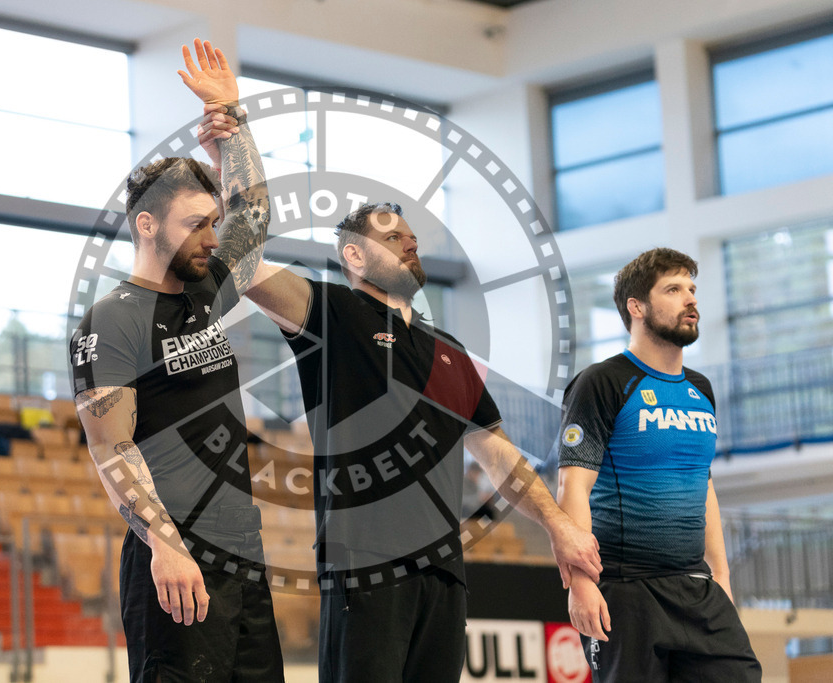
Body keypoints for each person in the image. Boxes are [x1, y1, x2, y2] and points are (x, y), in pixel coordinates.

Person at [186, 128, 600, 680]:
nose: (410, 242)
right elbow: (242, 262)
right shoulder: (328, 312)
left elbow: (498, 456)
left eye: (411, 235)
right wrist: (233, 150)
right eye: (392, 236)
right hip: (364, 567)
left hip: (445, 573)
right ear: (353, 254)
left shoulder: (448, 351)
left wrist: (557, 526)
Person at [70, 39, 283, 683]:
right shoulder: (113, 318)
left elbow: (255, 217)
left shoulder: (203, 291)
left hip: (240, 549)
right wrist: (164, 545)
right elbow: (112, 449)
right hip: (175, 554)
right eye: (195, 224)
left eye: (211, 222)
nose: (212, 238)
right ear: (146, 225)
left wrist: (235, 121)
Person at [555, 248, 762, 682]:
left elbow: (701, 483)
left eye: (692, 289)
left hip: (696, 588)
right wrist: (581, 582)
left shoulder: (700, 389)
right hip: (626, 590)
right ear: (637, 307)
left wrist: (721, 577)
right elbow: (573, 489)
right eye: (673, 289)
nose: (691, 300)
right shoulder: (603, 382)